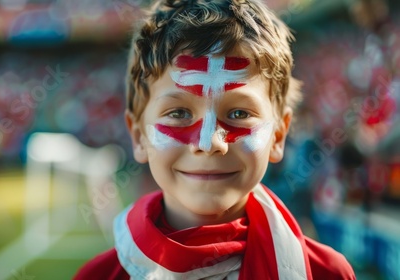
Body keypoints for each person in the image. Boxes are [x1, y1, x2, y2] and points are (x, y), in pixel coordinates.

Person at [75, 0, 356, 279]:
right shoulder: (97, 276)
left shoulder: (327, 273)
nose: (209, 142)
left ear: (278, 135)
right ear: (139, 137)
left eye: (238, 112)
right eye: (179, 112)